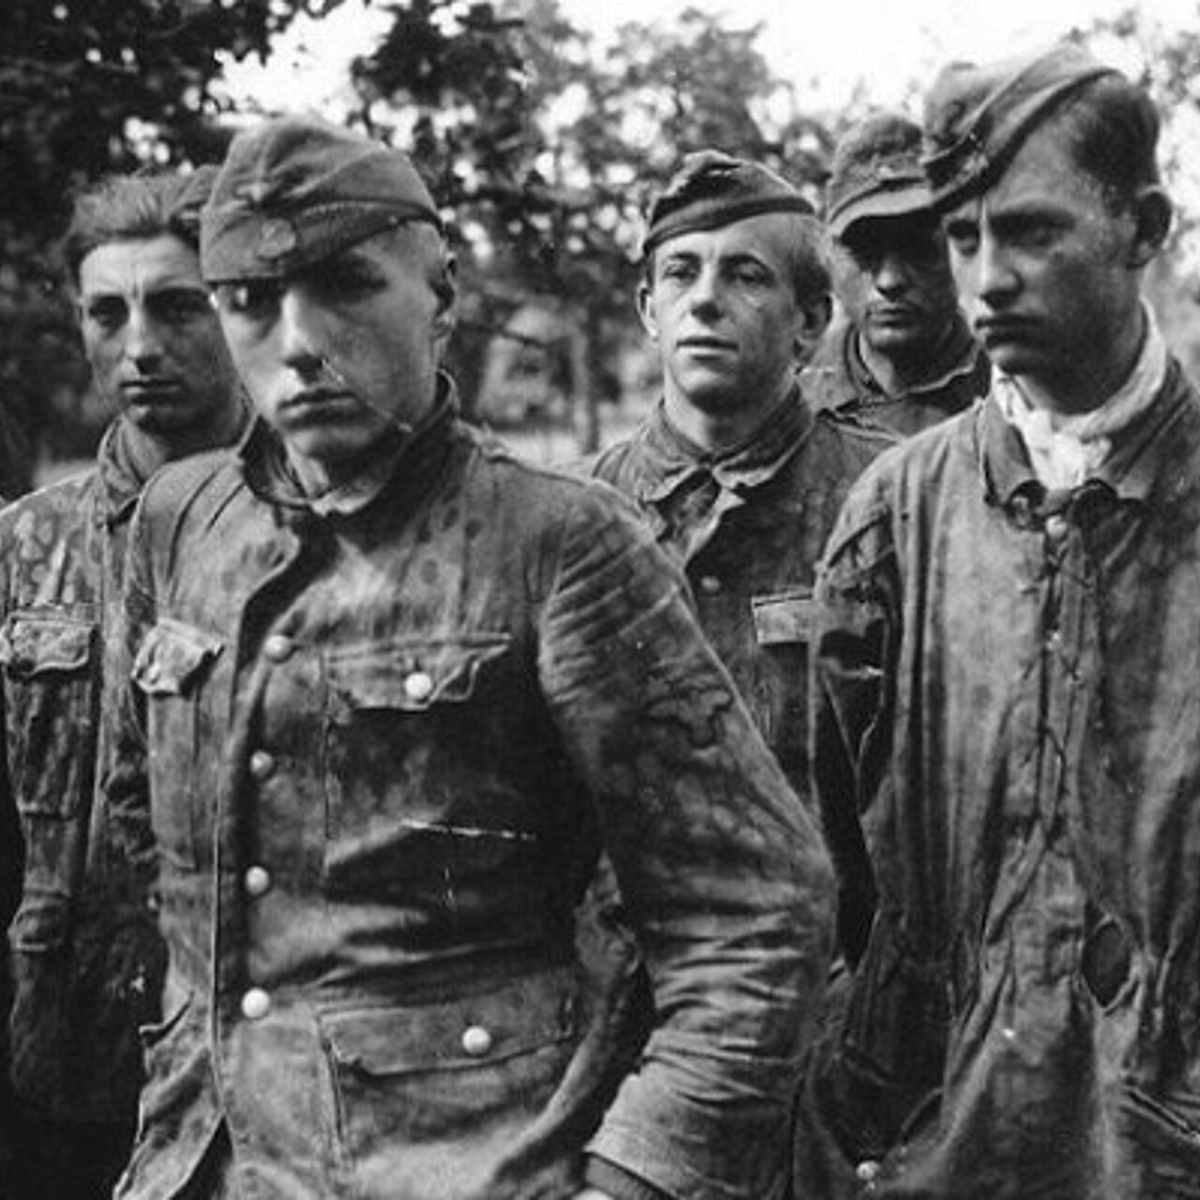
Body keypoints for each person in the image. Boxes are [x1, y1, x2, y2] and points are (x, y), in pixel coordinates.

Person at [104, 115, 835, 1200]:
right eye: (251, 300)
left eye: (347, 287)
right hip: (199, 1163)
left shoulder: (557, 539)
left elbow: (758, 908)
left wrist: (638, 1176)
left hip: (470, 1165)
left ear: (440, 297)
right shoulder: (180, 522)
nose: (298, 341)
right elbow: (143, 833)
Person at [793, 43, 1193, 1199]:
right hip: (931, 1128)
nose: (987, 278)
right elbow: (843, 843)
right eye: (964, 238)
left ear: (1144, 227)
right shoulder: (897, 513)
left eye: (1030, 233)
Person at [0, 170, 247, 1199]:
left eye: (179, 306)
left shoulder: (323, 535)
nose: (141, 345)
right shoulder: (23, 549)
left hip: (256, 1073)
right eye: (109, 313)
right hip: (56, 1064)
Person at [590, 150, 891, 807]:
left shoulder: (888, 498)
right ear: (649, 311)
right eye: (680, 272)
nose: (703, 300)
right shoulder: (576, 513)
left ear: (809, 322)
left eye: (745, 275)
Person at [803, 111, 988, 439]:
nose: (889, 281)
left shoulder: (1012, 394)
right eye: (865, 251)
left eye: (918, 249)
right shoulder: (791, 401)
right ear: (829, 258)